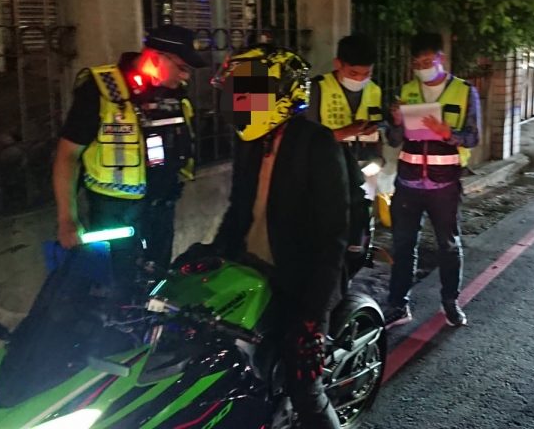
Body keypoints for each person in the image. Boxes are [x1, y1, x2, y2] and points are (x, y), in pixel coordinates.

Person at [204, 45, 348, 429]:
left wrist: (314, 316)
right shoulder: (250, 140)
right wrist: (213, 255)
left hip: (300, 284)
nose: (239, 99)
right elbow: (239, 208)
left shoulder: (317, 143)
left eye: (249, 90)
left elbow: (333, 236)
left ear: (282, 93)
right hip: (250, 275)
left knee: (306, 389)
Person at [53, 24, 206, 279]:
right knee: (118, 289)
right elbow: (67, 155)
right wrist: (67, 220)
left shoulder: (174, 92)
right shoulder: (101, 89)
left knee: (157, 285)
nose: (185, 77)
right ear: (156, 58)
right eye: (181, 67)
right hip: (115, 217)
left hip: (161, 211)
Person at [385, 33, 481, 328]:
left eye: (428, 61)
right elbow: (393, 139)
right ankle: (398, 304)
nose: (422, 67)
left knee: (448, 245)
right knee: (403, 245)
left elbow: (473, 137)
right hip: (408, 182)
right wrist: (397, 123)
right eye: (417, 63)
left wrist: (446, 133)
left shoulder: (464, 91)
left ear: (441, 58)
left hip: (444, 184)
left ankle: (450, 302)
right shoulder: (406, 91)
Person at [305, 34, 384, 277]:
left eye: (366, 74)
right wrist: (344, 132)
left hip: (364, 166)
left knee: (361, 221)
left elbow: (379, 126)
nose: (360, 79)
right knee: (330, 227)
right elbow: (307, 135)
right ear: (338, 64)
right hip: (329, 168)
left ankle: (356, 262)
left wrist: (376, 130)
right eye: (353, 73)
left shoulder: (374, 90)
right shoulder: (317, 88)